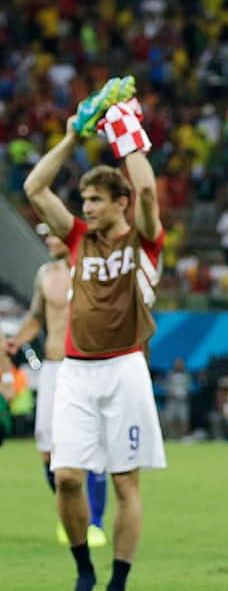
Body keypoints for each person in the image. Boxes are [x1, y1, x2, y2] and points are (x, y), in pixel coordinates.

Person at [22, 80, 166, 591]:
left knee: (127, 483)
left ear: (121, 203)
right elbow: (35, 190)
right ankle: (84, 569)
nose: (85, 207)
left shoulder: (145, 242)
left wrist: (127, 131)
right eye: (83, 198)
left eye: (96, 200)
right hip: (76, 373)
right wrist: (69, 138)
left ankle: (117, 581)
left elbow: (148, 189)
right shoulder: (78, 239)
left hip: (125, 367)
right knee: (66, 477)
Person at [6, 224, 108, 547]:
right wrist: (16, 341)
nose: (49, 240)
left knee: (92, 448)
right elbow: (37, 316)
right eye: (46, 235)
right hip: (51, 367)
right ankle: (71, 513)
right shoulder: (45, 274)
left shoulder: (92, 272)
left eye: (54, 234)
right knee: (46, 449)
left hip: (84, 365)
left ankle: (95, 522)